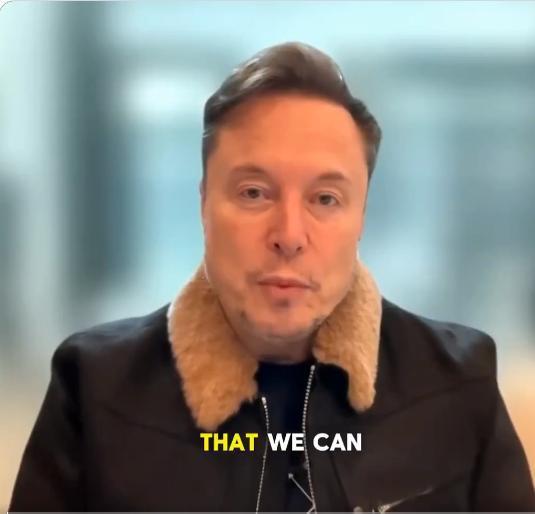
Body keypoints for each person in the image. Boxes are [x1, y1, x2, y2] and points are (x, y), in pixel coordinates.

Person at [9, 42, 535, 512]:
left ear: (361, 216)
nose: (289, 234)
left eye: (325, 199)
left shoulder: (457, 382)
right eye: (254, 193)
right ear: (204, 205)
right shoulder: (94, 387)